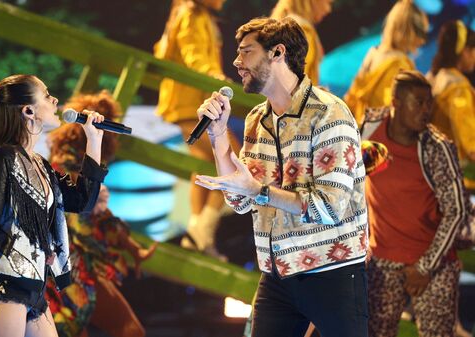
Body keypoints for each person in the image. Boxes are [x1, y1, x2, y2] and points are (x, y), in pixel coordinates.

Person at [195, 17, 368, 337]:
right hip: (277, 274)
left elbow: (330, 208)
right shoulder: (256, 119)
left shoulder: (329, 114)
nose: (236, 62)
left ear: (277, 53)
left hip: (331, 272)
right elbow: (239, 200)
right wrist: (219, 140)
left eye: (246, 52)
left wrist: (260, 191)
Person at [0, 74, 108, 337]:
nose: (55, 99)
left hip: (34, 288)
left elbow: (82, 201)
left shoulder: (41, 165)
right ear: (28, 110)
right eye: (47, 95)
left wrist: (94, 140)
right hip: (5, 286)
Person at [361, 70, 470, 337]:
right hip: (382, 259)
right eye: (418, 102)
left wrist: (424, 268)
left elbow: (457, 210)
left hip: (434, 263)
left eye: (428, 103)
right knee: (374, 332)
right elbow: (350, 181)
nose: (426, 110)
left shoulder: (437, 147)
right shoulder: (369, 127)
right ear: (396, 102)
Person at [45, 91, 157, 337]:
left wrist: (130, 246)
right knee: (131, 331)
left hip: (62, 267)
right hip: (75, 266)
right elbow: (82, 221)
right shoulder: (68, 165)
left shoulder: (64, 160)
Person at [154, 0, 239, 259]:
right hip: (191, 104)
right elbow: (194, 56)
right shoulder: (190, 15)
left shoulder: (199, 15)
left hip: (194, 102)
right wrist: (215, 76)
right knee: (237, 161)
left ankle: (197, 235)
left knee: (202, 166)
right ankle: (204, 229)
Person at [345, 0, 428, 124]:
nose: (422, 41)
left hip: (357, 128)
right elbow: (394, 113)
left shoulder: (373, 53)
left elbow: (351, 96)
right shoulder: (401, 64)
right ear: (408, 30)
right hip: (379, 136)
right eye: (420, 32)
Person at [428, 20, 475, 189]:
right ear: (464, 52)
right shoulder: (458, 88)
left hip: (435, 169)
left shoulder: (436, 77)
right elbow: (470, 144)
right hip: (460, 179)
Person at [271, 0, 333, 85]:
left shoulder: (281, 25)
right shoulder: (304, 32)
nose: (328, 9)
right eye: (328, 3)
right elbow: (295, 85)